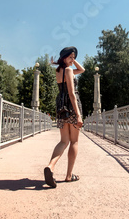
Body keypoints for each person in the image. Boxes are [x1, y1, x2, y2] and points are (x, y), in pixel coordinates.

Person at [44, 46, 84, 188]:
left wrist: (72, 59)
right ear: (64, 57)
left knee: (63, 141)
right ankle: (68, 176)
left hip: (61, 107)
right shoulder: (68, 70)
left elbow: (81, 70)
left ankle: (51, 166)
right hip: (72, 107)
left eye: (74, 57)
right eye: (71, 57)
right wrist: (78, 114)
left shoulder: (59, 71)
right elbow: (72, 94)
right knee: (74, 142)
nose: (73, 60)